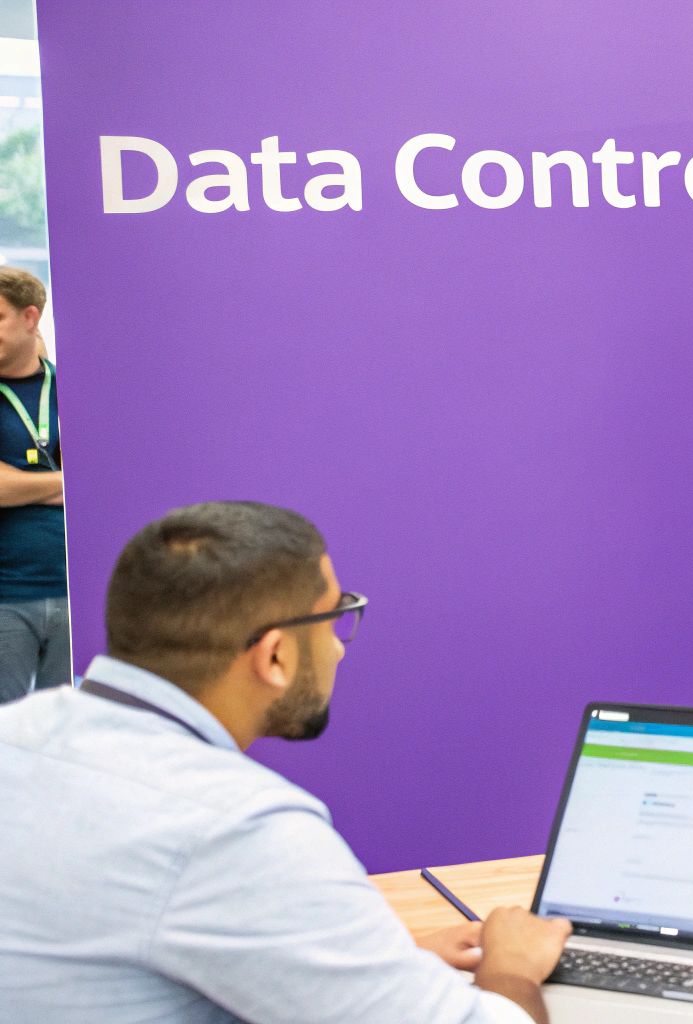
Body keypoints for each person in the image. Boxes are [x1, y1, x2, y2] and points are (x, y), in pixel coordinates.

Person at [0, 501, 573, 1023]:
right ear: (275, 654)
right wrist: (512, 968)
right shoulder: (237, 828)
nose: (341, 646)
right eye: (335, 617)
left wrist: (376, 963)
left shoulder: (18, 732)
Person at [0, 266, 68, 703]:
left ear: (30, 318)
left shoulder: (76, 387)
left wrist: (22, 482)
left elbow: (105, 480)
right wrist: (65, 482)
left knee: (69, 744)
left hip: (76, 594)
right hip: (6, 597)